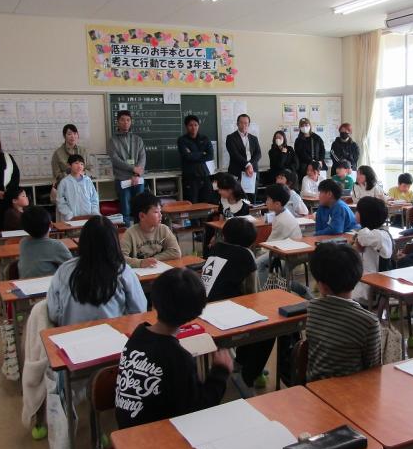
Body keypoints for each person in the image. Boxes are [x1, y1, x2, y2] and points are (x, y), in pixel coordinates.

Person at [306, 243, 413, 449]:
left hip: (316, 396)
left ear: (321, 284)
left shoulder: (312, 309)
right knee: (407, 433)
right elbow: (372, 371)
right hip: (352, 405)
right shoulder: (367, 321)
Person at [114, 267, 232, 429]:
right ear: (196, 313)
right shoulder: (178, 358)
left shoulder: (137, 336)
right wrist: (221, 372)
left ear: (154, 302)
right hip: (158, 437)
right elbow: (197, 409)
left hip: (126, 434)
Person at [201, 218, 268, 394]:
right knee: (268, 327)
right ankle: (248, 375)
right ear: (252, 241)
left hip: (202, 307)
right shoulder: (246, 255)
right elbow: (253, 293)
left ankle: (242, 363)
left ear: (224, 235)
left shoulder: (216, 248)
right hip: (223, 311)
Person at [47, 215, 147, 326]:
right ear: (114, 242)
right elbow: (139, 309)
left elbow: (53, 313)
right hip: (113, 334)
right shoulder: (123, 271)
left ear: (82, 240)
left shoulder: (64, 269)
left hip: (70, 334)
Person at [256, 184, 302, 287]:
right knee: (259, 259)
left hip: (289, 255)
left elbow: (270, 245)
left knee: (257, 264)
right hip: (284, 249)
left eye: (268, 199)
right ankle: (271, 286)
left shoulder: (282, 220)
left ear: (277, 204)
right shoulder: (282, 213)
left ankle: (266, 290)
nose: (266, 202)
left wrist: (260, 252)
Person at [120, 192, 181, 268]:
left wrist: (154, 259)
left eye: (160, 211)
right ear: (142, 216)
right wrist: (140, 263)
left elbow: (176, 252)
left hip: (158, 269)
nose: (160, 215)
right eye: (156, 212)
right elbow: (120, 259)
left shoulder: (164, 229)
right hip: (140, 273)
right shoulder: (130, 233)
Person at [108, 110, 146, 227]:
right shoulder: (113, 140)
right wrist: (133, 169)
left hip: (137, 179)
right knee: (125, 210)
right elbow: (115, 159)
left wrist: (136, 174)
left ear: (131, 122)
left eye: (128, 120)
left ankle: (140, 232)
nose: (125, 122)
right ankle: (127, 233)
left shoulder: (138, 139)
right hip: (122, 179)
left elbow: (142, 157)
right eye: (122, 120)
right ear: (118, 122)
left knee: (140, 208)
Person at [352, 197, 393, 306]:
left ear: (366, 215)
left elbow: (362, 238)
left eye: (358, 211)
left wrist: (357, 238)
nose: (355, 213)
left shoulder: (380, 235)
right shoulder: (373, 233)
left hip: (374, 286)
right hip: (366, 280)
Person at [18, 206, 72, 279]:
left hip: (25, 284)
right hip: (48, 285)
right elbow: (72, 267)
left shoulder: (23, 242)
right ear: (51, 225)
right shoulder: (56, 245)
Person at [177, 114, 214, 203]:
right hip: (190, 176)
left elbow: (210, 156)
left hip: (204, 174)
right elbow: (187, 156)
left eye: (195, 125)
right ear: (186, 126)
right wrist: (202, 153)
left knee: (207, 202)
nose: (193, 127)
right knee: (192, 203)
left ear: (198, 126)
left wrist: (193, 154)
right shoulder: (182, 140)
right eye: (190, 125)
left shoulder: (205, 139)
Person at [225, 114, 261, 198]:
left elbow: (258, 154)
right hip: (237, 172)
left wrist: (250, 165)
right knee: (238, 198)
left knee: (252, 199)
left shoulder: (254, 138)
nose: (244, 125)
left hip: (252, 172)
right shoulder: (231, 138)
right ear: (237, 124)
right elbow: (234, 154)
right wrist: (247, 165)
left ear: (249, 124)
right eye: (241, 123)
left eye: (246, 123)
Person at [56, 154, 99, 221]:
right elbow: (60, 201)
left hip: (88, 216)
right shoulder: (64, 182)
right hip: (72, 218)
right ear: (69, 165)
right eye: (76, 163)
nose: (79, 166)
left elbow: (94, 198)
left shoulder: (87, 180)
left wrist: (94, 212)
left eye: (82, 164)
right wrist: (68, 214)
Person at [51, 124, 91, 197]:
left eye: (75, 133)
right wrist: (70, 174)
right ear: (64, 136)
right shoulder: (57, 153)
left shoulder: (83, 151)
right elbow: (56, 175)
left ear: (77, 135)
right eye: (69, 134)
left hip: (83, 187)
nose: (73, 136)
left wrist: (82, 173)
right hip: (65, 188)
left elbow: (90, 169)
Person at [294, 117, 325, 182]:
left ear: (310, 125)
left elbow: (322, 150)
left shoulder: (316, 138)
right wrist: (311, 161)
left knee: (319, 183)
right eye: (302, 125)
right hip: (304, 167)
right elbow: (299, 153)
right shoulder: (298, 140)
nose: (304, 127)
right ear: (300, 127)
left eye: (306, 125)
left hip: (317, 164)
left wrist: (321, 160)